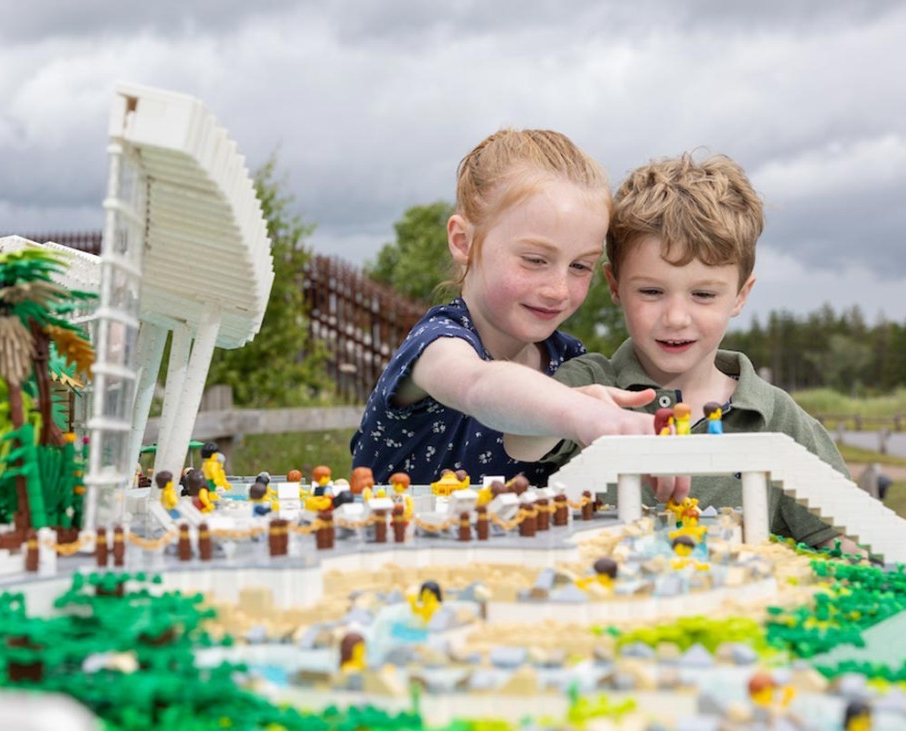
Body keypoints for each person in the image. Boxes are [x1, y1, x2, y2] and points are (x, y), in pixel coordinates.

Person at [503, 153, 847, 549]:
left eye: (703, 294)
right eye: (651, 291)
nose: (676, 317)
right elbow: (520, 439)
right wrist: (576, 413)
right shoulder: (590, 382)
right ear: (615, 286)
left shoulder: (778, 418)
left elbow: (847, 538)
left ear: (740, 295)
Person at [351, 128, 655, 486]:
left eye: (580, 266)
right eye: (535, 260)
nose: (558, 290)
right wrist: (578, 412)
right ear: (463, 242)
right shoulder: (438, 343)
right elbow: (478, 385)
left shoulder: (569, 359)